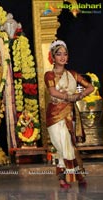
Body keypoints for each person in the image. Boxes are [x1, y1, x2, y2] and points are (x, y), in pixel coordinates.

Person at [44, 40, 94, 189]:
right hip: (54, 115)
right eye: (59, 54)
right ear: (53, 56)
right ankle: (77, 175)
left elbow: (90, 87)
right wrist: (69, 97)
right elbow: (52, 92)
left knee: (69, 146)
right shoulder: (49, 75)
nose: (62, 57)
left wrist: (79, 95)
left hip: (69, 114)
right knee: (61, 147)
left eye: (65, 54)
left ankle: (65, 178)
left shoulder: (73, 74)